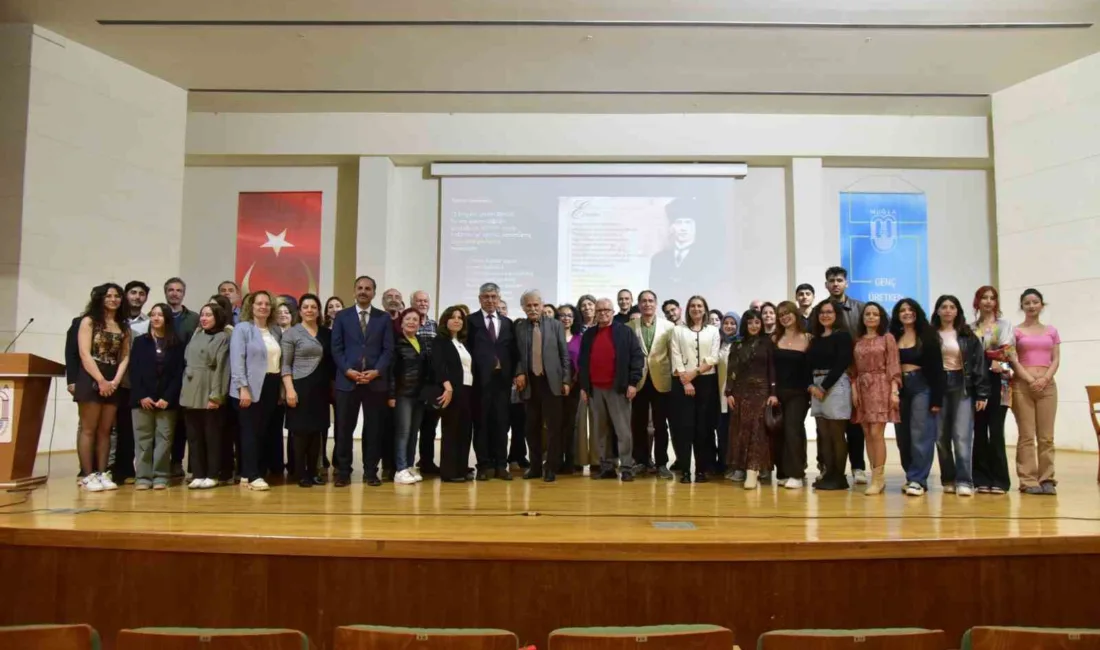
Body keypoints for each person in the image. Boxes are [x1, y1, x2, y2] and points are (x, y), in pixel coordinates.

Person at [331, 276, 394, 487]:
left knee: (374, 430)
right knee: (344, 429)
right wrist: (347, 370)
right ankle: (343, 472)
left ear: (374, 293)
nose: (363, 291)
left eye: (368, 288)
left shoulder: (383, 318)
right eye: (360, 288)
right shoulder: (342, 316)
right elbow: (336, 348)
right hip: (347, 381)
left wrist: (376, 371)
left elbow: (388, 350)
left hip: (375, 383)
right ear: (354, 291)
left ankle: (370, 472)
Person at [578, 298, 644, 481]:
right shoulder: (589, 335)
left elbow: (637, 358)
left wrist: (633, 383)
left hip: (618, 388)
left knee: (623, 431)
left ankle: (626, 467)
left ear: (613, 312)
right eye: (599, 310)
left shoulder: (625, 332)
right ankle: (607, 466)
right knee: (601, 431)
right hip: (595, 389)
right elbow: (583, 362)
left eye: (606, 310)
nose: (603, 313)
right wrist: (584, 387)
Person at [931, 295, 989, 497]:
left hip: (962, 385)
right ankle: (948, 478)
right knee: (941, 436)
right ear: (938, 311)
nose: (948, 310)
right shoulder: (930, 335)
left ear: (957, 311)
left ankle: (964, 480)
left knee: (962, 435)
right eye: (944, 307)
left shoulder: (967, 335)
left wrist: (982, 394)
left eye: (952, 307)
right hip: (938, 387)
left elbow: (979, 364)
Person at [75, 283, 130, 491]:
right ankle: (87, 474)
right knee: (89, 428)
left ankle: (102, 472)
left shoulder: (123, 325)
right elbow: (84, 353)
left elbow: (125, 356)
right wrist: (100, 380)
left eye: (117, 296)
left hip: (113, 378)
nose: (113, 299)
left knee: (106, 430)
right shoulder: (89, 321)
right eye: (109, 296)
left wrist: (115, 381)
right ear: (100, 298)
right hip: (91, 376)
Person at [513, 290, 571, 481]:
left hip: (552, 383)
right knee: (531, 428)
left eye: (535, 305)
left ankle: (551, 467)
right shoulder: (520, 327)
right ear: (523, 308)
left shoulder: (555, 325)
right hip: (530, 384)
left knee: (554, 428)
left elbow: (564, 355)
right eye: (528, 306)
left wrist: (566, 380)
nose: (532, 309)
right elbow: (517, 355)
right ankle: (535, 467)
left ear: (542, 305)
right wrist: (519, 372)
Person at [889, 298, 944, 497]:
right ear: (897, 315)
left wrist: (937, 399)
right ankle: (911, 475)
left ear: (916, 312)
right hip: (899, 387)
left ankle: (918, 479)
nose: (906, 313)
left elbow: (937, 368)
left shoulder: (927, 335)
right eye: (902, 310)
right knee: (903, 437)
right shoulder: (892, 336)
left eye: (910, 309)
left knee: (921, 433)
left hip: (922, 385)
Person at [229, 290, 283, 491]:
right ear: (251, 306)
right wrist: (242, 388)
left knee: (263, 431)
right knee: (250, 432)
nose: (263, 307)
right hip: (249, 387)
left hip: (271, 384)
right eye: (259, 303)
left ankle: (249, 472)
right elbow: (237, 360)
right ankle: (253, 475)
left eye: (267, 304)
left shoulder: (274, 330)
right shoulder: (243, 329)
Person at [1010, 288, 1060, 496]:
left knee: (1046, 437)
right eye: (1027, 303)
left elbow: (1056, 359)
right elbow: (1013, 360)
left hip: (1047, 386)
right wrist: (1031, 380)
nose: (1031, 306)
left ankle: (1047, 478)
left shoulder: (1051, 331)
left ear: (1041, 305)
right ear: (1022, 306)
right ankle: (1028, 480)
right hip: (1023, 386)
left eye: (1035, 302)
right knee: (1026, 436)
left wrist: (1045, 379)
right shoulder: (1015, 332)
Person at [129, 303, 184, 490]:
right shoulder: (140, 342)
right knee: (142, 439)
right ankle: (143, 477)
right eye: (153, 315)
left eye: (160, 315)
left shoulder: (177, 344)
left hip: (166, 401)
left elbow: (178, 374)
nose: (155, 318)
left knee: (164, 439)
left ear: (167, 318)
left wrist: (167, 397)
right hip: (142, 400)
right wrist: (141, 396)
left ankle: (161, 475)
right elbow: (134, 371)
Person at [466, 282, 517, 480]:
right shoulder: (470, 321)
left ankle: (501, 465)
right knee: (481, 424)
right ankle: (483, 465)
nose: (490, 300)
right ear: (480, 299)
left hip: (502, 383)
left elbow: (512, 352)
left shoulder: (507, 323)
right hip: (479, 382)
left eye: (493, 297)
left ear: (499, 299)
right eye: (486, 297)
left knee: (501, 424)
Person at [281, 294, 332, 488]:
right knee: (300, 432)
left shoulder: (326, 333)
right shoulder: (291, 333)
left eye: (313, 307)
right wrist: (289, 390)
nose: (309, 310)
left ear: (319, 311)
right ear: (300, 311)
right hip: (300, 387)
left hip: (321, 388)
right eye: (306, 307)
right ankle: (301, 473)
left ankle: (314, 471)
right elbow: (285, 365)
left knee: (317, 431)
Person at [669, 295, 722, 484]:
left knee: (703, 428)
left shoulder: (713, 331)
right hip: (682, 383)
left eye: (700, 306)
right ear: (687, 309)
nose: (696, 309)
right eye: (692, 305)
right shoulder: (678, 330)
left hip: (706, 382)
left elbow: (713, 357)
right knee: (684, 428)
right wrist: (686, 381)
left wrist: (694, 373)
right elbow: (675, 356)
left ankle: (701, 470)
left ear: (705, 309)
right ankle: (685, 470)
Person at [851, 302, 901, 496]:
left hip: (881, 386)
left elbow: (893, 364)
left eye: (875, 314)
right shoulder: (857, 340)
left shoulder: (887, 338)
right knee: (866, 432)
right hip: (862, 387)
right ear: (862, 318)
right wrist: (854, 390)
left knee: (876, 432)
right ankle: (875, 475)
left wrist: (894, 390)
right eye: (868, 314)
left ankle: (878, 479)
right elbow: (853, 369)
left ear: (881, 318)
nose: (871, 317)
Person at [724, 309, 777, 490]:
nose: (754, 326)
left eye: (757, 322)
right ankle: (742, 467)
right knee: (742, 431)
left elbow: (772, 369)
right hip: (740, 392)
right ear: (745, 325)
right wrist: (729, 392)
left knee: (758, 430)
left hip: (761, 392)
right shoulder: (737, 344)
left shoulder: (767, 343)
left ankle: (753, 470)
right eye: (750, 322)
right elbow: (732, 369)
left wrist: (773, 392)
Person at [824, 266, 867, 485]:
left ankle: (858, 467)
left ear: (846, 283)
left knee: (855, 423)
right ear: (826, 285)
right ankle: (828, 468)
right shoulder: (821, 310)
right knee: (830, 425)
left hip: (855, 373)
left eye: (839, 280)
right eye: (832, 281)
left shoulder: (861, 308)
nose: (835, 284)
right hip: (829, 375)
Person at [180, 304, 230, 489]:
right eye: (202, 315)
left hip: (209, 387)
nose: (204, 318)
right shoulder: (197, 334)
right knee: (194, 436)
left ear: (217, 317)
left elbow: (222, 368)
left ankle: (212, 474)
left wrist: (216, 395)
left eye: (209, 315)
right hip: (191, 388)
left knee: (212, 436)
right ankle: (198, 473)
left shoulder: (223, 337)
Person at [628, 290, 676, 480]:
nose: (647, 304)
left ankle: (662, 463)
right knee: (637, 423)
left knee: (660, 425)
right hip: (638, 381)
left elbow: (673, 354)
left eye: (650, 301)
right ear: (639, 304)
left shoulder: (669, 327)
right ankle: (640, 461)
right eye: (644, 301)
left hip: (661, 380)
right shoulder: (629, 327)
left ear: (656, 304)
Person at [807, 299, 853, 491]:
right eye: (822, 312)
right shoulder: (815, 339)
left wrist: (824, 387)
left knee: (836, 434)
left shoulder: (842, 336)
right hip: (816, 385)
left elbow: (842, 363)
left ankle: (839, 477)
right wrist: (811, 385)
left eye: (829, 312)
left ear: (836, 315)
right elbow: (807, 363)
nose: (825, 315)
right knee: (823, 434)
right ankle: (828, 474)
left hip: (835, 384)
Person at [972, 286, 1014, 495]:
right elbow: (972, 355)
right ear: (977, 301)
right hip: (977, 382)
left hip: (1001, 381)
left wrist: (990, 356)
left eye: (992, 298)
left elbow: (1007, 352)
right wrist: (991, 355)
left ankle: (1000, 479)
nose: (988, 301)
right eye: (984, 298)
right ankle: (980, 477)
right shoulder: (971, 328)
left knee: (996, 430)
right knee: (979, 430)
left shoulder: (1005, 325)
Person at [110, 279, 151, 485]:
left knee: (129, 428)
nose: (137, 297)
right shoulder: (114, 320)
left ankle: (126, 469)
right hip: (112, 380)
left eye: (141, 294)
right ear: (126, 295)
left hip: (135, 382)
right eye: (133, 292)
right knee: (110, 428)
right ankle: (101, 468)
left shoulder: (149, 322)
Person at [389, 307, 432, 485]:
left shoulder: (421, 341)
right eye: (408, 319)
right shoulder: (397, 343)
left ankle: (408, 465)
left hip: (419, 394)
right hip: (403, 394)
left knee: (414, 432)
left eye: (415, 320)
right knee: (403, 432)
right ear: (401, 322)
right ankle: (400, 469)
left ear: (420, 323)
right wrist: (391, 395)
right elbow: (391, 371)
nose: (411, 322)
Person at [432, 306, 475, 482]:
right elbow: (437, 365)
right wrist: (447, 387)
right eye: (453, 317)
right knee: (451, 430)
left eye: (460, 318)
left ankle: (462, 468)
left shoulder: (462, 342)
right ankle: (449, 472)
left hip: (467, 389)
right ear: (445, 320)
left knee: (464, 430)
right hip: (452, 390)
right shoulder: (440, 341)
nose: (457, 320)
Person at [771, 301, 811, 489]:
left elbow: (810, 368)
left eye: (787, 313)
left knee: (793, 429)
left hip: (799, 393)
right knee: (779, 432)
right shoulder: (774, 339)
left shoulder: (808, 338)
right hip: (777, 393)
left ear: (795, 314)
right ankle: (784, 472)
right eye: (781, 315)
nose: (784, 317)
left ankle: (796, 473)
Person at [648, 202, 709, 306]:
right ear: (672, 227)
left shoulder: (706, 259)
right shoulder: (658, 260)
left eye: (688, 223)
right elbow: (655, 293)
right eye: (679, 223)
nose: (683, 228)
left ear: (695, 226)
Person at [411, 290, 441, 475]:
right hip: (413, 381)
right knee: (412, 426)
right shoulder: (409, 323)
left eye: (425, 301)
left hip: (432, 382)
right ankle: (405, 463)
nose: (422, 304)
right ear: (412, 303)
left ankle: (426, 462)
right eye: (419, 301)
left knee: (430, 426)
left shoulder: (435, 325)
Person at [557, 304, 582, 474]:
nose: (566, 318)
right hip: (554, 387)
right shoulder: (552, 337)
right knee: (556, 425)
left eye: (569, 315)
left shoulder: (580, 339)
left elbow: (583, 363)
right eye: (562, 315)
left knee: (571, 425)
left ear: (574, 319)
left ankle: (570, 461)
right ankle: (556, 460)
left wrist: (573, 381)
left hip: (574, 387)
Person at [716, 311, 739, 479]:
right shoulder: (718, 342)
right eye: (726, 323)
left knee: (735, 432)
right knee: (722, 431)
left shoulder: (741, 343)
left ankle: (736, 465)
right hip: (718, 394)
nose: (729, 326)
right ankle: (723, 464)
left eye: (733, 323)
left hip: (735, 395)